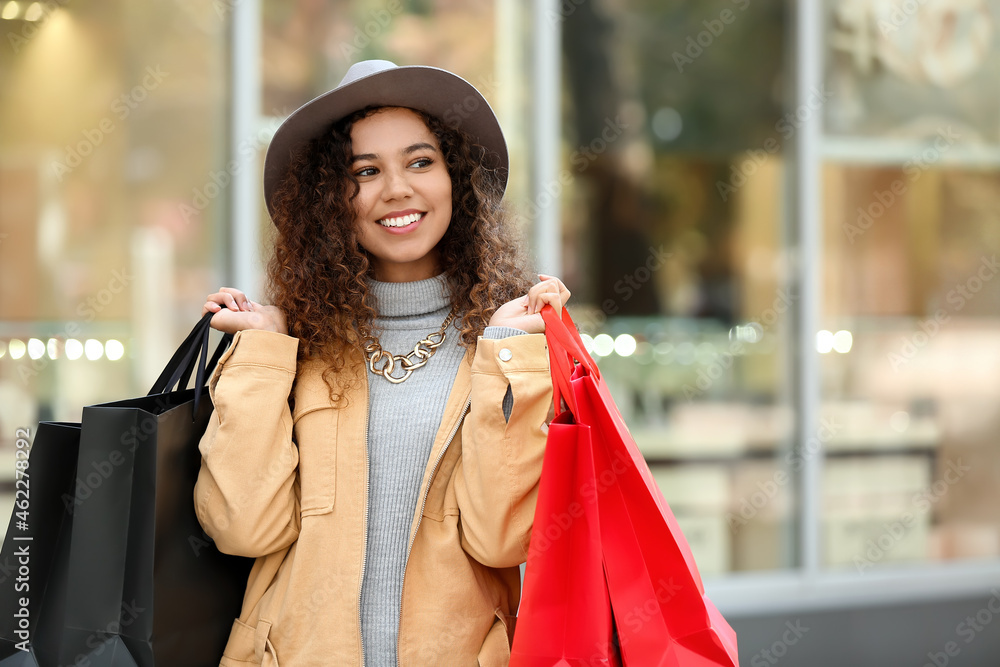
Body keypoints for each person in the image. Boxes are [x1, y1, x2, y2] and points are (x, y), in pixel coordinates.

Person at [194, 60, 570, 666]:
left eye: (421, 162)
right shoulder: (295, 346)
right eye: (365, 172)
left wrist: (504, 359)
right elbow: (244, 528)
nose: (397, 189)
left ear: (456, 179)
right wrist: (261, 357)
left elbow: (505, 539)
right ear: (329, 204)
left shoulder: (509, 344)